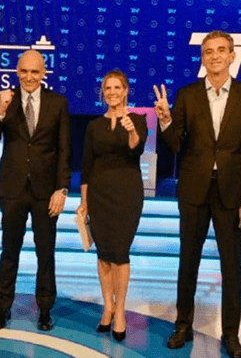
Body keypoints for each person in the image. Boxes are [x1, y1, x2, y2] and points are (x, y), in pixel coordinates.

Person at [155, 31, 241, 358]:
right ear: (202, 58)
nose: (214, 56)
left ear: (232, 56)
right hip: (193, 191)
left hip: (232, 194)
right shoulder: (187, 95)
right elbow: (176, 144)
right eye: (208, 51)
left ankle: (231, 334)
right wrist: (165, 121)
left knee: (232, 267)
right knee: (188, 262)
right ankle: (183, 325)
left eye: (220, 51)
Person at [0, 49, 71, 331]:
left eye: (35, 72)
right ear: (17, 72)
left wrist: (62, 189)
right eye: (24, 71)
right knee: (9, 250)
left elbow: (64, 150)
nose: (29, 77)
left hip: (46, 191)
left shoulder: (58, 103)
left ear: (44, 73)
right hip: (12, 189)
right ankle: (2, 308)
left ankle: (45, 309)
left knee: (46, 252)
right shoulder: (5, 100)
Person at [75, 69, 147, 342]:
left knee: (120, 253)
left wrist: (131, 132)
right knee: (103, 254)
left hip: (127, 195)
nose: (113, 92)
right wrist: (84, 203)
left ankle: (121, 313)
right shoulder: (94, 126)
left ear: (126, 90)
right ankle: (108, 306)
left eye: (118, 88)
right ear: (102, 92)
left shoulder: (137, 120)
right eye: (108, 88)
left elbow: (136, 149)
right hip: (99, 196)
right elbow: (87, 165)